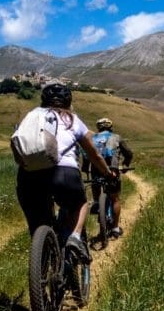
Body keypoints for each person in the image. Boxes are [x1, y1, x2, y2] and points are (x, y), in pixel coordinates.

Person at [14, 83, 114, 263]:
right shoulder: (72, 120)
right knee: (80, 203)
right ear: (68, 102)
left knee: (38, 222)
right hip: (64, 172)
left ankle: (42, 257)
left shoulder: (30, 117)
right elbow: (93, 154)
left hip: (28, 176)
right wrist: (106, 173)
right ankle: (75, 237)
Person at [86, 117, 134, 238]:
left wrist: (85, 169)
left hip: (96, 171)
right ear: (110, 127)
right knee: (115, 199)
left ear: (98, 128)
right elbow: (129, 153)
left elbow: (87, 156)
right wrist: (125, 164)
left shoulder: (92, 139)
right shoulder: (116, 137)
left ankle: (98, 204)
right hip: (112, 170)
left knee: (96, 193)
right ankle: (115, 228)